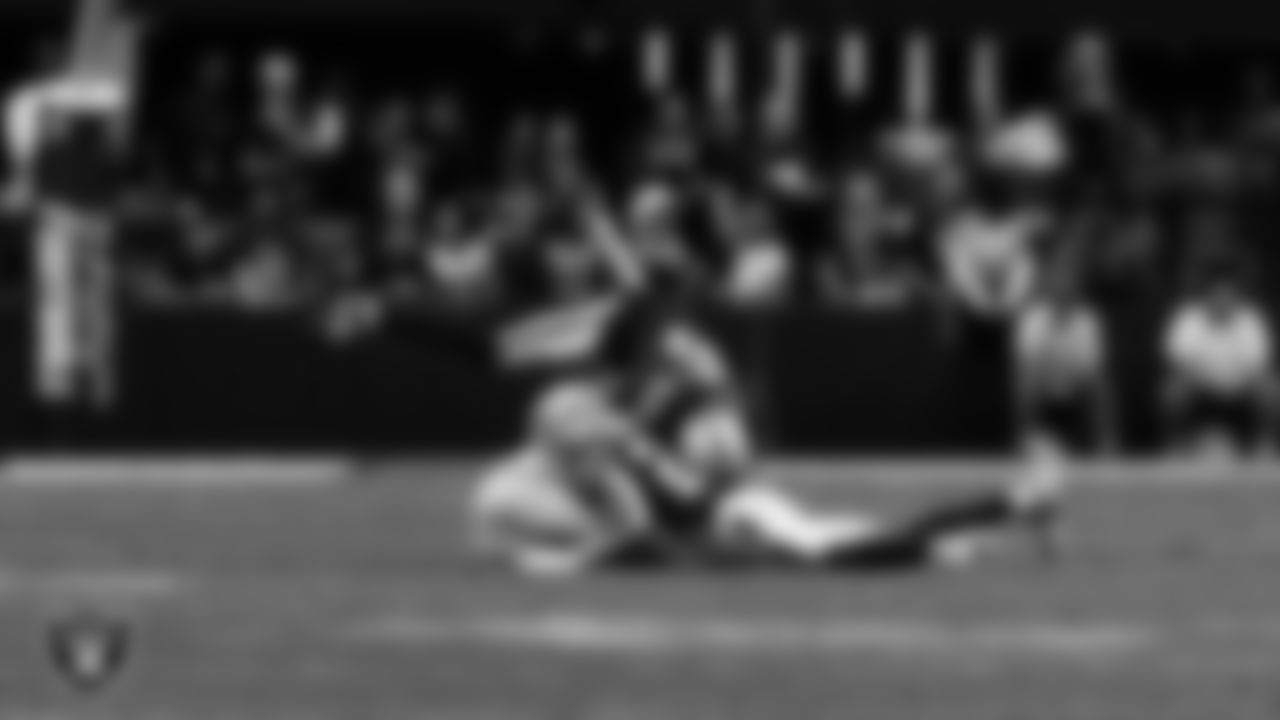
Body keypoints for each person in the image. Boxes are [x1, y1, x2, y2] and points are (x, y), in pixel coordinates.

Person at [1162, 268, 1278, 457]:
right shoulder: (1189, 319)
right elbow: (1180, 366)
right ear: (1207, 298)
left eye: (1228, 297)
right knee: (1172, 389)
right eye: (1217, 296)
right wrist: (1207, 380)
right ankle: (1176, 445)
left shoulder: (1250, 320)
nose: (1222, 301)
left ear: (1236, 299)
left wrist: (1238, 384)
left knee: (1271, 387)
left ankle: (1265, 444)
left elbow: (1259, 368)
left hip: (1240, 392)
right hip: (1202, 391)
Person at [1013, 270, 1117, 457]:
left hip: (1077, 406)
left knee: (1098, 389)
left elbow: (1097, 383)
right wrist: (1025, 431)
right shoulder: (1032, 321)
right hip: (1045, 408)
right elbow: (1026, 384)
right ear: (1050, 290)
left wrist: (1105, 436)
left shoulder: (1087, 322)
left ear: (1075, 291)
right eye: (1059, 287)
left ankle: (1100, 442)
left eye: (1068, 287)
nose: (1063, 292)